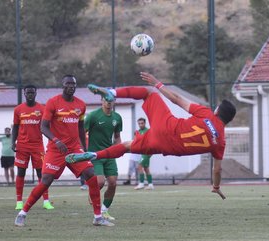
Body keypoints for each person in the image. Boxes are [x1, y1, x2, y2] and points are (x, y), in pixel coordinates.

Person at [65, 72, 236, 199]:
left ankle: (113, 94)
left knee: (148, 93)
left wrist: (158, 84)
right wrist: (216, 186)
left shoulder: (207, 114)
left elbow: (176, 99)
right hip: (163, 145)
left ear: (217, 110)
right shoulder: (220, 142)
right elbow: (217, 169)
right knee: (126, 146)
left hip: (166, 125)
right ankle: (94, 155)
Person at [14, 75, 113, 227]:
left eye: (73, 84)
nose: (71, 86)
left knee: (91, 176)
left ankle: (98, 217)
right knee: (46, 180)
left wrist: (84, 149)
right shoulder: (53, 102)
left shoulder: (80, 105)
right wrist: (56, 141)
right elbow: (43, 127)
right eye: (68, 84)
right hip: (55, 150)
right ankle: (22, 213)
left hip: (74, 149)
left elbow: (80, 127)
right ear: (63, 85)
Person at [12, 85, 54, 210]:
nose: (30, 94)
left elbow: (47, 126)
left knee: (42, 173)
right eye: (28, 92)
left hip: (37, 146)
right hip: (22, 146)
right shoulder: (18, 109)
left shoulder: (42, 109)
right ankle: (19, 201)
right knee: (21, 172)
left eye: (32, 92)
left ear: (36, 93)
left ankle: (46, 201)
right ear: (24, 94)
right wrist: (12, 141)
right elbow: (15, 127)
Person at [84, 97, 122, 221]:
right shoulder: (93, 116)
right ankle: (93, 194)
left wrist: (118, 149)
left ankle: (104, 210)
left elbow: (117, 137)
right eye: (106, 99)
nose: (109, 101)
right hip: (95, 155)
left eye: (111, 99)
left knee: (113, 183)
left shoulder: (117, 118)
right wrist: (83, 151)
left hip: (109, 154)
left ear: (114, 101)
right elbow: (81, 133)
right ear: (101, 100)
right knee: (99, 182)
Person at [134, 117, 154, 190]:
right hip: (142, 152)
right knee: (146, 169)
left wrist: (152, 152)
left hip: (147, 152)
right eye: (139, 123)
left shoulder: (148, 131)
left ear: (145, 123)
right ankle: (151, 184)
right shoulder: (138, 132)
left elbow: (152, 142)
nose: (140, 125)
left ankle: (141, 183)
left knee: (139, 166)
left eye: (142, 123)